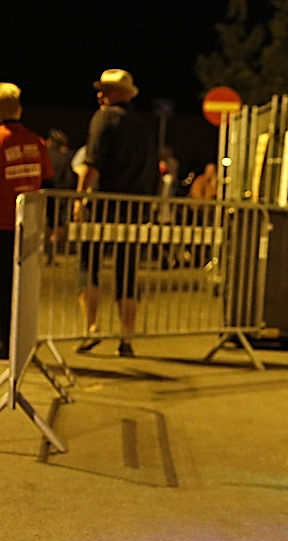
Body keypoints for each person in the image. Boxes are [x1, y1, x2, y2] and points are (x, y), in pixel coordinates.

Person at [74, 68, 158, 358]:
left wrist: (79, 199)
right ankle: (127, 337)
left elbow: (92, 162)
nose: (100, 95)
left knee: (89, 267)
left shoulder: (104, 118)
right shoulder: (145, 125)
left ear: (120, 95)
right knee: (127, 272)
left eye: (106, 91)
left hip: (103, 207)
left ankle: (91, 328)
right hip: (134, 210)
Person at [0, 83, 54, 361]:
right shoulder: (36, 142)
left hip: (1, 224)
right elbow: (48, 182)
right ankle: (15, 341)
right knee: (19, 287)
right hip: (27, 228)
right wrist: (54, 224)